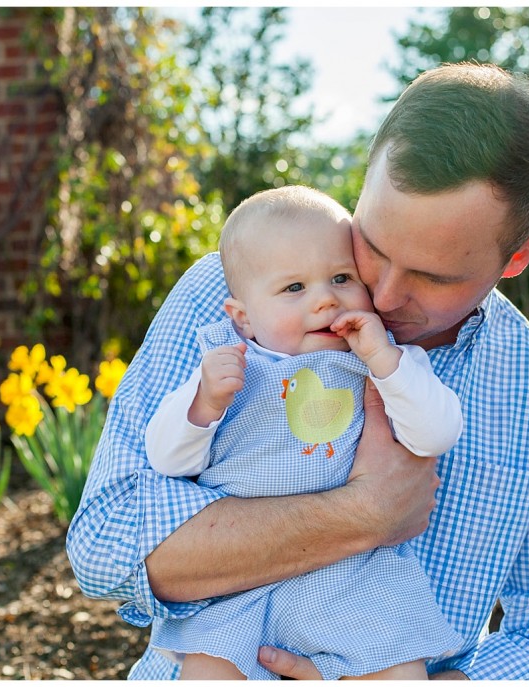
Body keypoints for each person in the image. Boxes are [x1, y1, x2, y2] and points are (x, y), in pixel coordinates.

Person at [66, 62, 529, 679]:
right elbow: (105, 546)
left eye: (434, 278)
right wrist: (363, 514)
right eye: (373, 246)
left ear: (518, 257)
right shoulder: (233, 294)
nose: (380, 297)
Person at [143, 185, 463, 680]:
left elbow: (437, 434)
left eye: (341, 278)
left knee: (399, 674)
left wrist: (384, 362)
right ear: (243, 318)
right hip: (240, 581)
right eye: (294, 289)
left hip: (356, 581)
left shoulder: (387, 362)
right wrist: (204, 404)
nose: (324, 301)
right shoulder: (226, 368)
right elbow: (167, 462)